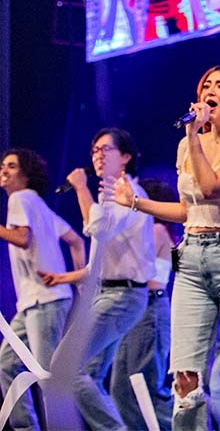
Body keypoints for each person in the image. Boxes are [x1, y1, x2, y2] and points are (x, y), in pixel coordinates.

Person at [106, 65, 220, 429]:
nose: (209, 91)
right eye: (205, 85)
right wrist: (136, 203)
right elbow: (189, 210)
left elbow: (213, 186)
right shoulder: (189, 144)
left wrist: (193, 134)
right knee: (185, 376)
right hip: (191, 258)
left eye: (219, 85)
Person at [45, 128, 157, 431]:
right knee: (90, 375)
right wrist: (69, 278)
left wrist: (80, 188)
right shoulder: (108, 198)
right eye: (95, 150)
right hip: (108, 293)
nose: (97, 155)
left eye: (106, 150)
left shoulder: (128, 193)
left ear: (125, 157)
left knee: (65, 368)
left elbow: (97, 229)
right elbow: (99, 255)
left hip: (122, 297)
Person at [0, 148, 85, 430]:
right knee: (7, 364)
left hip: (44, 301)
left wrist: (75, 277)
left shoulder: (20, 198)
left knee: (47, 375)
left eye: (11, 166)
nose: (4, 170)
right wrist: (78, 278)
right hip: (34, 303)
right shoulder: (40, 206)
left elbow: (22, 239)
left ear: (26, 174)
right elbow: (75, 240)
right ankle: (26, 427)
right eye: (3, 165)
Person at [110, 178, 179, 431]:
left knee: (148, 385)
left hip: (151, 308)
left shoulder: (157, 230)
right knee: (121, 389)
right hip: (135, 308)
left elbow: (139, 266)